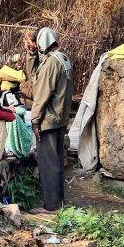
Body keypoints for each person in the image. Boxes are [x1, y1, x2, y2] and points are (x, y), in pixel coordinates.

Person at [24, 27, 73, 213]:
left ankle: (51, 206)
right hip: (59, 119)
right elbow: (36, 74)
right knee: (57, 162)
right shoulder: (62, 57)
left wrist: (35, 122)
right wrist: (31, 53)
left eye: (36, 43)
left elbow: (41, 94)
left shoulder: (51, 63)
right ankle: (58, 203)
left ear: (42, 43)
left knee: (48, 165)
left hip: (49, 121)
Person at [0, 76, 33, 159]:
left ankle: (11, 150)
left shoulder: (7, 95)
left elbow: (21, 110)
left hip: (18, 136)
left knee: (12, 117)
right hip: (0, 137)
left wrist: (1, 109)